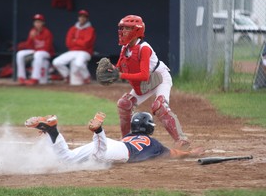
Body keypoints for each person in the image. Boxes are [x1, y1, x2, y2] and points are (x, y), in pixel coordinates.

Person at [110, 15, 190, 149]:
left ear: (136, 31)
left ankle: (181, 140)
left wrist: (120, 75)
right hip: (145, 83)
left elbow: (144, 75)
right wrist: (111, 70)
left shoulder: (144, 48)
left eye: (127, 29)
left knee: (160, 106)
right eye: (122, 28)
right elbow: (119, 67)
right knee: (124, 105)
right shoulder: (125, 49)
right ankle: (126, 140)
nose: (123, 31)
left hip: (159, 79)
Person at [25, 112, 204, 164]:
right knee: (99, 157)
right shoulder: (154, 143)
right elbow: (173, 153)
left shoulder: (128, 136)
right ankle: (98, 130)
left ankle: (53, 130)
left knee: (66, 158)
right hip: (118, 151)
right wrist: (190, 152)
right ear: (149, 128)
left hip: (115, 144)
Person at [52, 10, 96, 85]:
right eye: (80, 16)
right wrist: (79, 41)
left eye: (84, 17)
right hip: (72, 51)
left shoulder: (90, 29)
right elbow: (68, 43)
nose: (82, 18)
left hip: (85, 52)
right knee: (56, 62)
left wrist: (75, 41)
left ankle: (86, 77)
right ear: (78, 18)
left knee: (78, 63)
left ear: (87, 19)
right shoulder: (73, 29)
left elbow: (86, 44)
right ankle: (67, 76)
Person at [16, 14, 55, 85]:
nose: (37, 24)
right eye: (36, 22)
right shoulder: (32, 31)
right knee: (19, 54)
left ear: (43, 23)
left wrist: (35, 52)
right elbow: (28, 46)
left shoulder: (47, 32)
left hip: (46, 53)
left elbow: (47, 47)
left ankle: (35, 78)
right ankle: (21, 77)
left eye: (39, 22)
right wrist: (31, 38)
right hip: (36, 52)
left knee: (38, 54)